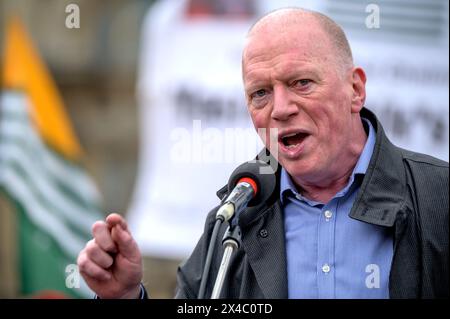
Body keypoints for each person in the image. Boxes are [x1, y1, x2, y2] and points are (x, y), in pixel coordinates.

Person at [77, 8, 449, 299]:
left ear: (355, 89)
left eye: (301, 83)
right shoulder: (232, 221)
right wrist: (126, 295)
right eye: (261, 93)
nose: (280, 108)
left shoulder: (438, 197)